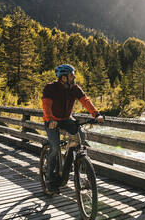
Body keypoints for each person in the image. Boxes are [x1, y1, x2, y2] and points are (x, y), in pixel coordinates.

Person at [42, 64, 104, 195]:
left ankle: (74, 160)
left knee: (81, 134)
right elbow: (46, 106)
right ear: (63, 78)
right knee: (54, 149)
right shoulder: (50, 88)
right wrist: (49, 120)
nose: (74, 76)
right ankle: (49, 181)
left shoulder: (75, 88)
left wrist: (96, 114)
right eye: (71, 75)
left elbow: (85, 100)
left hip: (66, 118)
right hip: (52, 120)